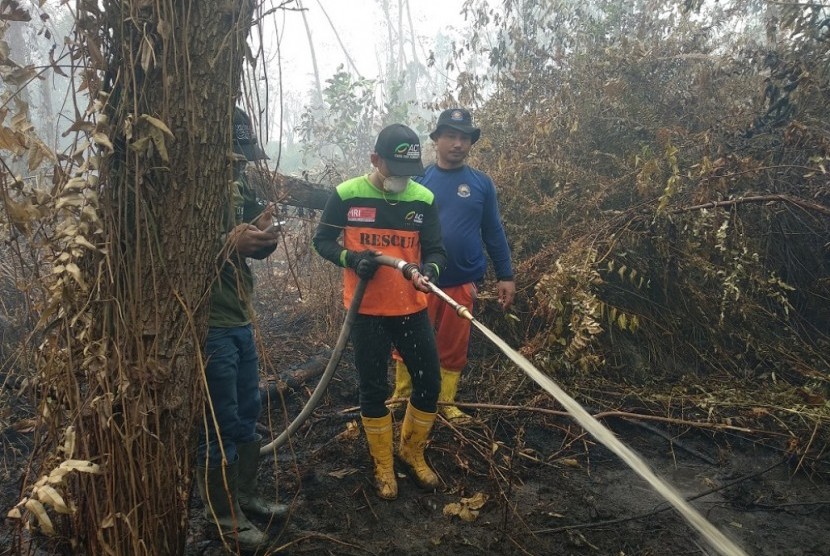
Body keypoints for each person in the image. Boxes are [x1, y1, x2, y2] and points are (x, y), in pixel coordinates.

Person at [312, 124, 448, 500]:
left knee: (429, 384)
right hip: (367, 311)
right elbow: (321, 241)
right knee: (373, 389)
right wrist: (351, 259)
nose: (402, 181)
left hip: (411, 308)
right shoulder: (346, 194)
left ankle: (411, 452)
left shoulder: (422, 199)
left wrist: (430, 272)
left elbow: (436, 250)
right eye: (395, 171)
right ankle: (383, 465)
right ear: (375, 159)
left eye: (409, 173)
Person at [195, 107, 288, 551]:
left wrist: (263, 233)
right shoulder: (188, 189)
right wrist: (226, 242)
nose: (238, 163)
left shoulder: (237, 184)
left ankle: (246, 495)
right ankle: (224, 516)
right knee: (220, 423)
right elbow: (172, 256)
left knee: (248, 413)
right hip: (208, 323)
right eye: (231, 155)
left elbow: (252, 247)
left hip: (239, 318)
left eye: (242, 156)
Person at [392, 108, 516, 423]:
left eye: (464, 137)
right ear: (436, 140)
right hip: (419, 279)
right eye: (450, 136)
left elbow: (493, 230)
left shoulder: (481, 184)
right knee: (408, 339)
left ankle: (446, 402)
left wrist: (505, 275)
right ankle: (402, 396)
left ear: (471, 142)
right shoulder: (418, 180)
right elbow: (397, 229)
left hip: (462, 280)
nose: (457, 143)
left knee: (454, 344)